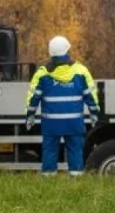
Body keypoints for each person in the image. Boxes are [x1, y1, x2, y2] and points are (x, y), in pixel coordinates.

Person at [24, 35, 100, 177]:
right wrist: (94, 113)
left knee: (50, 153)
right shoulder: (80, 71)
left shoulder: (42, 74)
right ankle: (76, 182)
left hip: (51, 125)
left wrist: (30, 116)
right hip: (74, 124)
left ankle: (48, 182)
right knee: (75, 152)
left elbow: (33, 98)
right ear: (67, 51)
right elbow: (91, 96)